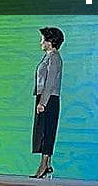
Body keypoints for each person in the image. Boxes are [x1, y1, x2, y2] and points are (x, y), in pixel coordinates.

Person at [31, 27, 64, 179]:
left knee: (47, 131)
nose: (41, 42)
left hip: (49, 99)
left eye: (43, 39)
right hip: (44, 97)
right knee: (43, 130)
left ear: (50, 41)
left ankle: (44, 165)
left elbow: (50, 82)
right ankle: (47, 164)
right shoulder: (48, 57)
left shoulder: (54, 57)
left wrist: (43, 102)